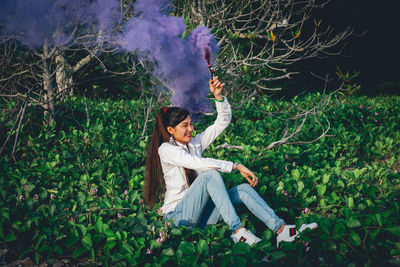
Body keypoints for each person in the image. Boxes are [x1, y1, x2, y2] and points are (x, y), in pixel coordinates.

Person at [144, 77, 318, 247]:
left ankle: (282, 230)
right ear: (170, 130)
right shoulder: (166, 149)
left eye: (191, 124)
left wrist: (219, 97)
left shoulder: (195, 143)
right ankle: (238, 231)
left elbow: (222, 122)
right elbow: (197, 163)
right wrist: (235, 165)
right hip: (178, 218)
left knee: (242, 190)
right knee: (210, 174)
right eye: (184, 125)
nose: (190, 129)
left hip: (200, 216)